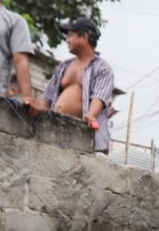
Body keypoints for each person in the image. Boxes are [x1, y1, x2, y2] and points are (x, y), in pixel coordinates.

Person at [41, 16, 115, 154]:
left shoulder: (102, 68)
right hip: (56, 133)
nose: (67, 40)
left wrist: (91, 115)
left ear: (84, 36)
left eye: (70, 35)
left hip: (87, 139)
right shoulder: (63, 66)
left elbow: (99, 98)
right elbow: (47, 98)